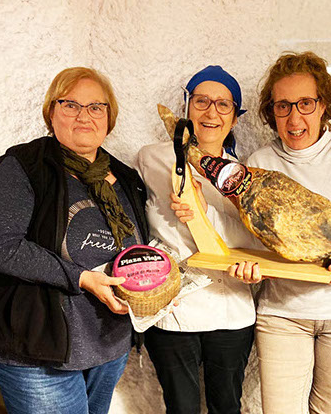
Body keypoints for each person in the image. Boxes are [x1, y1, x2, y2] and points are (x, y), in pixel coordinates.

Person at [225, 51, 331, 413]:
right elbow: (255, 241)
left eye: (305, 103)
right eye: (283, 106)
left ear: (324, 105)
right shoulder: (260, 164)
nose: (294, 117)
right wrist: (251, 270)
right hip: (283, 314)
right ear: (272, 112)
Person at [0, 67, 148, 414]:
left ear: (109, 117)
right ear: (51, 112)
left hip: (107, 345)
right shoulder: (25, 167)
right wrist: (80, 277)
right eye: (70, 105)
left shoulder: (126, 177)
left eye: (96, 107)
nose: (84, 116)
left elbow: (139, 251)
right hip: (36, 348)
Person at [134, 65, 257, 414]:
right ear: (187, 107)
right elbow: (133, 223)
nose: (211, 112)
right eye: (201, 101)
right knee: (181, 408)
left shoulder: (244, 175)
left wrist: (204, 210)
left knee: (227, 407)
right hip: (172, 310)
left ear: (235, 117)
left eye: (223, 104)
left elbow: (251, 240)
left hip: (231, 309)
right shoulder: (151, 158)